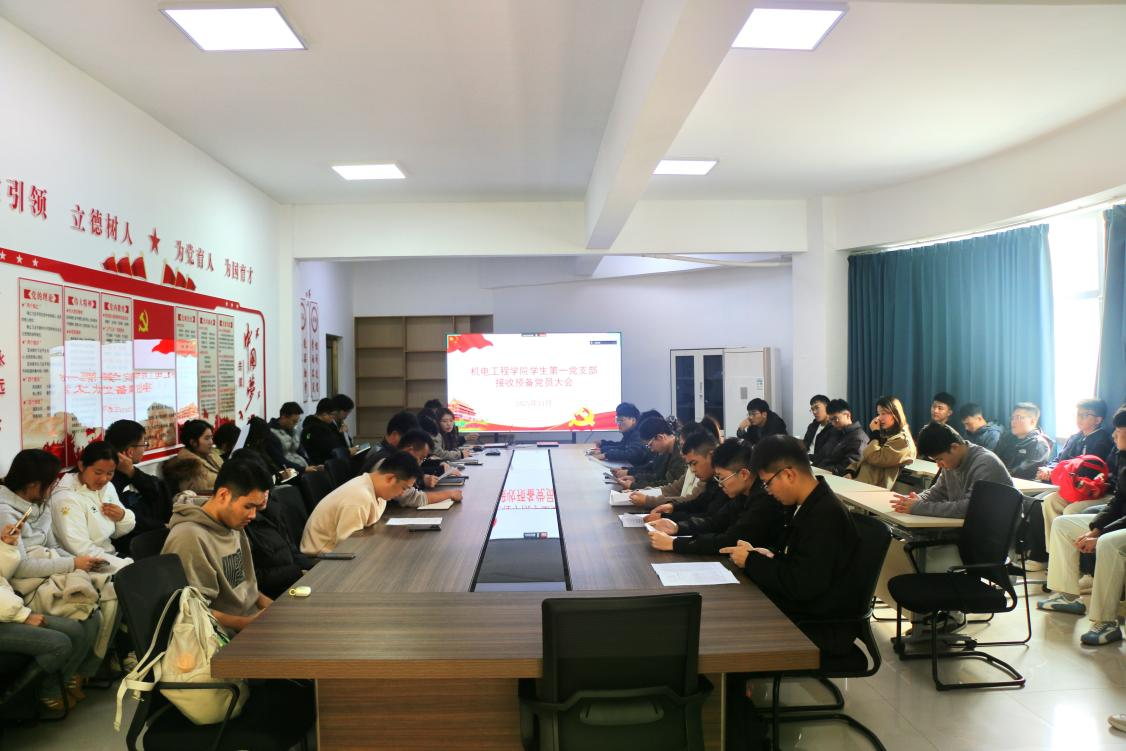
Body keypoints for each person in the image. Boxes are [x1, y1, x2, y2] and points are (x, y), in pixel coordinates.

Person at [720, 435, 860, 658]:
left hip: (818, 623)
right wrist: (769, 556)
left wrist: (752, 561)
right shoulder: (809, 503)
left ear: (788, 474)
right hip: (804, 606)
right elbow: (801, 562)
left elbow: (802, 585)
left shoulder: (826, 515)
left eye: (767, 483)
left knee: (730, 625)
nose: (768, 490)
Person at [0, 450, 107, 703]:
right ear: (33, 484)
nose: (55, 487)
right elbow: (19, 569)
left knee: (94, 615)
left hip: (42, 577)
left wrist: (79, 563)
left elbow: (51, 547)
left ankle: (70, 676)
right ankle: (49, 690)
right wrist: (71, 564)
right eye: (51, 482)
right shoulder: (5, 512)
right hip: (25, 587)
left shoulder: (40, 503)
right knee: (77, 625)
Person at [1037, 407, 1126, 646]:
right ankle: (1067, 595)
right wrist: (1094, 529)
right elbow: (1118, 501)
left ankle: (1106, 622)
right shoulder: (1122, 455)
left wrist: (1101, 534)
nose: (1114, 435)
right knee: (1063, 524)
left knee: (1108, 543)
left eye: (1120, 431)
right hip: (1120, 520)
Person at [161, 455, 274, 634]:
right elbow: (193, 611)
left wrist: (275, 607)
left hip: (248, 621)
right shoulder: (189, 537)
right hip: (221, 637)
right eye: (248, 506)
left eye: (256, 507)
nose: (253, 515)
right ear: (223, 495)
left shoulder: (233, 523)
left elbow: (245, 587)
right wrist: (245, 623)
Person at [0, 521, 96, 714]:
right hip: (7, 611)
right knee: (59, 644)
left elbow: (3, 574)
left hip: (6, 608)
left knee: (75, 629)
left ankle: (53, 687)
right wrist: (22, 615)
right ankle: (9, 704)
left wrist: (7, 547)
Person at [649, 439, 784, 555]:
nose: (720, 484)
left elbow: (730, 540)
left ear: (744, 474)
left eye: (722, 478)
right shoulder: (742, 493)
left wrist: (675, 544)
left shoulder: (764, 499)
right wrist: (678, 527)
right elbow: (716, 522)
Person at [300, 451, 422, 555]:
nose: (402, 494)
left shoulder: (378, 493)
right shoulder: (359, 497)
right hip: (322, 557)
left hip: (339, 551)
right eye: (404, 488)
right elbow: (347, 546)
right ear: (390, 478)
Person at [891, 422, 1013, 519]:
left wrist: (919, 508)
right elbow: (938, 492)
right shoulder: (952, 462)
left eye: (939, 459)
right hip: (968, 529)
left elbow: (969, 508)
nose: (938, 465)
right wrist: (917, 499)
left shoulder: (985, 463)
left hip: (993, 535)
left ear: (954, 447)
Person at [48, 441, 135, 573]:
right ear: (81, 466)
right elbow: (81, 550)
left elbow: (118, 532)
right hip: (84, 566)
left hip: (110, 555)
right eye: (98, 472)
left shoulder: (106, 487)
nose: (104, 479)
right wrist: (124, 565)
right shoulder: (66, 498)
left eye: (110, 473)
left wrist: (122, 516)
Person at [104, 419, 172, 551]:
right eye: (143, 444)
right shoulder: (107, 481)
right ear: (130, 452)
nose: (145, 449)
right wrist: (162, 526)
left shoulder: (130, 472)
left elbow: (157, 490)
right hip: (129, 543)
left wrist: (132, 471)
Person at [844, 396, 916, 489]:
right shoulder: (885, 434)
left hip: (872, 488)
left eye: (884, 413)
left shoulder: (903, 441)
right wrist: (850, 471)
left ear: (896, 414)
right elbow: (864, 458)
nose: (879, 418)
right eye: (878, 414)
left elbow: (873, 458)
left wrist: (875, 434)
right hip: (858, 481)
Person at [1037, 399, 1114, 482]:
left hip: (1080, 485)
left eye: (1085, 415)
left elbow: (1089, 472)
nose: (1079, 418)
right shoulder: (1074, 437)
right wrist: (1048, 469)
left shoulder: (1103, 442)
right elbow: (1059, 459)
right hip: (1062, 480)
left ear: (1097, 420)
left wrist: (1055, 473)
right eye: (1078, 414)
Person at [618, 416, 687, 491]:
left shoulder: (681, 454)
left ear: (660, 437)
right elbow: (658, 477)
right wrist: (635, 478)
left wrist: (634, 486)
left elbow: (668, 485)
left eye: (650, 445)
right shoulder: (666, 450)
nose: (651, 450)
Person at [162, 419, 225, 495]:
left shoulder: (212, 455)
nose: (211, 442)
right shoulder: (188, 467)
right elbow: (199, 495)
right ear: (193, 442)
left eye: (211, 437)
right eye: (207, 438)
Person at [994, 402, 1054, 480]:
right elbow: (994, 459)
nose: (1013, 421)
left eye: (1018, 417)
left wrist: (997, 474)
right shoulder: (1006, 437)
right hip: (999, 479)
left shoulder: (1039, 444)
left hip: (1020, 484)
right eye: (1012, 418)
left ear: (1032, 421)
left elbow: (1023, 472)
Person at [816, 399, 869, 476]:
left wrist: (820, 471)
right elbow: (822, 455)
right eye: (831, 420)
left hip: (835, 477)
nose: (833, 423)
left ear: (847, 415)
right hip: (821, 472)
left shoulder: (858, 438)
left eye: (835, 419)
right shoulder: (835, 432)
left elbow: (848, 467)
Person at [268, 402, 318, 473]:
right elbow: (280, 461)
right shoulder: (272, 434)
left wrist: (314, 466)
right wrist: (303, 469)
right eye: (294, 421)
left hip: (301, 468)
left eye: (297, 421)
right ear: (283, 417)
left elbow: (301, 453)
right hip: (289, 473)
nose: (295, 424)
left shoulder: (293, 431)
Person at [301, 398, 349, 466]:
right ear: (324, 414)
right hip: (325, 464)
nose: (333, 417)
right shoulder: (315, 429)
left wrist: (342, 434)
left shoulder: (326, 424)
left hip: (333, 460)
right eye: (332, 415)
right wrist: (348, 452)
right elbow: (331, 449)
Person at [802, 395, 834, 465]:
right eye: (812, 409)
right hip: (805, 461)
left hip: (819, 464)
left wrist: (805, 457)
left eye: (817, 408)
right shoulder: (812, 426)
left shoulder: (834, 428)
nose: (814, 412)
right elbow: (805, 445)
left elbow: (826, 454)